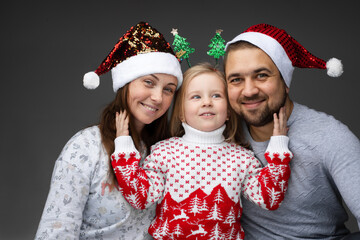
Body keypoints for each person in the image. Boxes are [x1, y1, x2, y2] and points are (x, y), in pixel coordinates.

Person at [111, 63, 293, 240]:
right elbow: (140, 198)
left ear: (228, 111)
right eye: (196, 97)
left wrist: (278, 148)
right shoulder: (164, 152)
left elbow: (269, 199)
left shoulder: (242, 159)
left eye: (216, 95)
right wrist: (123, 147)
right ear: (181, 112)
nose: (207, 102)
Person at [35, 22, 183, 240]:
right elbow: (56, 232)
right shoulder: (86, 147)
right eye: (149, 82)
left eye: (168, 89)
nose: (158, 97)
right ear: (126, 83)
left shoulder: (166, 152)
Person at [224, 23, 360, 240]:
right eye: (236, 79)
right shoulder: (222, 135)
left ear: (285, 82)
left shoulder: (330, 136)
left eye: (261, 75)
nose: (248, 91)